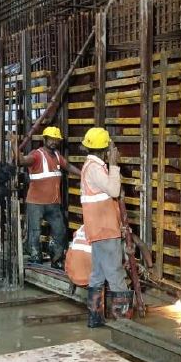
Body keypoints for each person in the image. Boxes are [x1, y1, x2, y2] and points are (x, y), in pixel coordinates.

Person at [80, 127, 131, 327]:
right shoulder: (94, 168)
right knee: (116, 275)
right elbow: (114, 190)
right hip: (105, 230)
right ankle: (124, 325)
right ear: (104, 149)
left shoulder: (91, 166)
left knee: (98, 275)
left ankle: (95, 319)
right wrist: (114, 165)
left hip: (98, 229)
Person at [16, 126, 80, 268]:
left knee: (60, 230)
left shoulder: (57, 156)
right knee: (35, 231)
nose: (54, 142)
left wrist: (84, 174)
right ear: (44, 139)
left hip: (53, 203)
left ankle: (56, 260)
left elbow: (68, 166)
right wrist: (15, 146)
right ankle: (35, 257)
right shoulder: (37, 155)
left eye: (56, 140)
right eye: (51, 139)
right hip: (36, 203)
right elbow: (22, 161)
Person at [64, 225, 91, 291]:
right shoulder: (104, 230)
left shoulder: (81, 228)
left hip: (72, 277)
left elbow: (68, 257)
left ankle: (72, 284)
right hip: (89, 280)